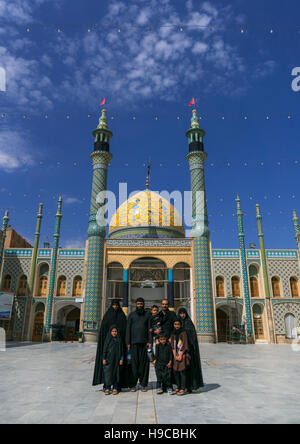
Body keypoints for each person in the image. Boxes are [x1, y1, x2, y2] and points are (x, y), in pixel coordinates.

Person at [93, 299, 127, 387]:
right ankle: (107, 385)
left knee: (117, 369)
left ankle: (117, 385)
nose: (115, 307)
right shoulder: (107, 316)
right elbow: (104, 330)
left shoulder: (122, 316)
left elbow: (125, 330)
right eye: (114, 305)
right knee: (108, 368)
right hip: (108, 347)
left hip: (119, 345)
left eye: (116, 305)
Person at [126, 297, 152, 392]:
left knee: (144, 365)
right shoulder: (132, 315)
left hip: (144, 344)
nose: (139, 305)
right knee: (133, 365)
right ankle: (132, 384)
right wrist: (128, 342)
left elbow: (150, 329)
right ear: (136, 304)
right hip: (133, 344)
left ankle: (143, 384)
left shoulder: (147, 315)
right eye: (138, 304)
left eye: (141, 304)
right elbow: (128, 329)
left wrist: (150, 342)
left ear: (143, 304)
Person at [178, 307, 204, 391]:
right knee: (182, 368)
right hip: (180, 350)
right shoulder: (177, 324)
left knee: (190, 367)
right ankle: (183, 386)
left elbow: (193, 337)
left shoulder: (189, 323)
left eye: (183, 313)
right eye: (180, 313)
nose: (182, 315)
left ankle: (191, 385)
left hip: (189, 350)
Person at [170, 318, 190, 396]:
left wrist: (180, 355)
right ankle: (178, 387)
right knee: (175, 371)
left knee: (182, 372)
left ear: (180, 325)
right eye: (175, 324)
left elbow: (185, 344)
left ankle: (183, 388)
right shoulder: (173, 333)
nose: (177, 326)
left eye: (178, 324)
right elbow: (172, 345)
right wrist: (175, 355)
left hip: (183, 355)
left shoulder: (183, 333)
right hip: (176, 355)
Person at [102, 325, 124, 395]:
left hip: (117, 360)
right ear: (110, 332)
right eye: (113, 331)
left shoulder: (119, 339)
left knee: (116, 374)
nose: (114, 333)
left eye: (115, 331)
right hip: (109, 360)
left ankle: (115, 388)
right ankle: (107, 388)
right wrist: (104, 359)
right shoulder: (108, 339)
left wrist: (121, 359)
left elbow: (122, 350)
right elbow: (104, 350)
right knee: (108, 374)